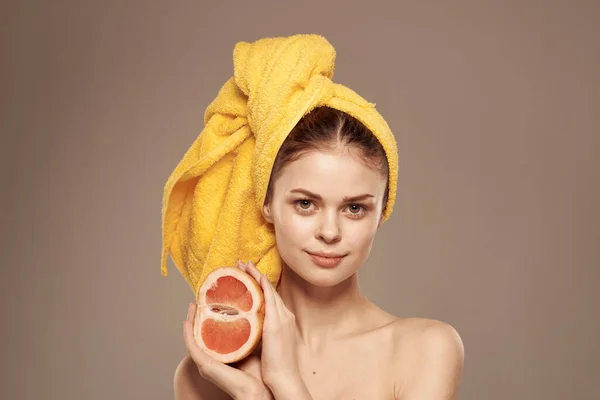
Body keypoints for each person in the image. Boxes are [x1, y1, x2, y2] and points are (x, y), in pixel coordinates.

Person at [173, 106, 465, 399]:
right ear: (267, 203)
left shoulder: (426, 350)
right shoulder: (207, 377)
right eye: (305, 204)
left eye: (354, 208)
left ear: (381, 213)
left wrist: (284, 385)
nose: (329, 232)